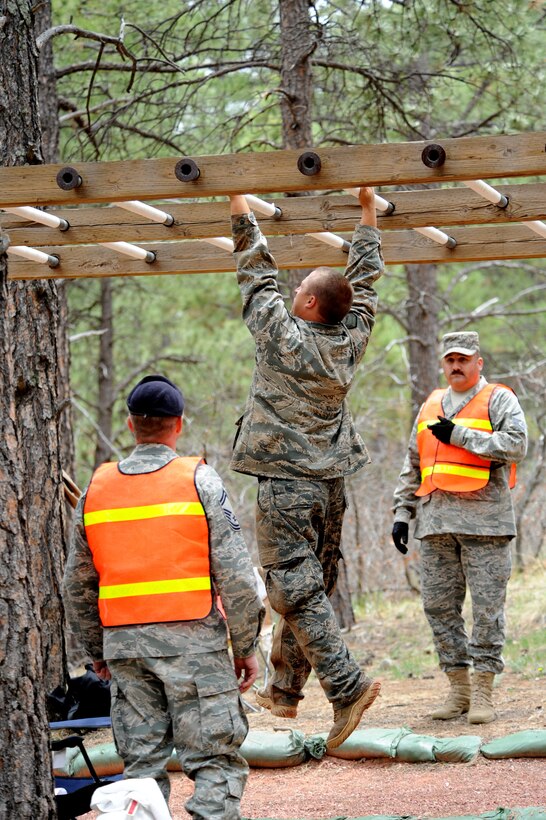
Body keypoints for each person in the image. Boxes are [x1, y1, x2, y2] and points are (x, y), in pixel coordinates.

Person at [63, 374, 265, 820]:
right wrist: (245, 647)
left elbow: (76, 585)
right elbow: (236, 577)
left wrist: (98, 652)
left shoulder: (96, 490)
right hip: (195, 647)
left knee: (140, 771)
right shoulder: (199, 480)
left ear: (131, 426)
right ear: (179, 425)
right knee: (214, 760)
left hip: (126, 651)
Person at [228, 187, 383, 751]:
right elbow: (363, 282)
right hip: (329, 483)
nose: (292, 292)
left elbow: (255, 274)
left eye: (301, 290)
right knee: (307, 586)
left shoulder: (284, 337)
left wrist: (239, 205)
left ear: (313, 305)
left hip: (287, 482)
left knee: (294, 590)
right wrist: (368, 212)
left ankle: (347, 689)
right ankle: (286, 688)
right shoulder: (351, 335)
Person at [392, 332, 527, 724]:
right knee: (438, 607)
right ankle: (459, 690)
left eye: (463, 359)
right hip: (435, 524)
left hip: (485, 524)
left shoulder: (499, 398)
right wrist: (403, 512)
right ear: (442, 363)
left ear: (478, 363)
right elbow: (413, 461)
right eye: (450, 359)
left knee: (486, 611)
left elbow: (517, 445)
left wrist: (461, 436)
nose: (456, 365)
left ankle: (484, 691)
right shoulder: (431, 404)